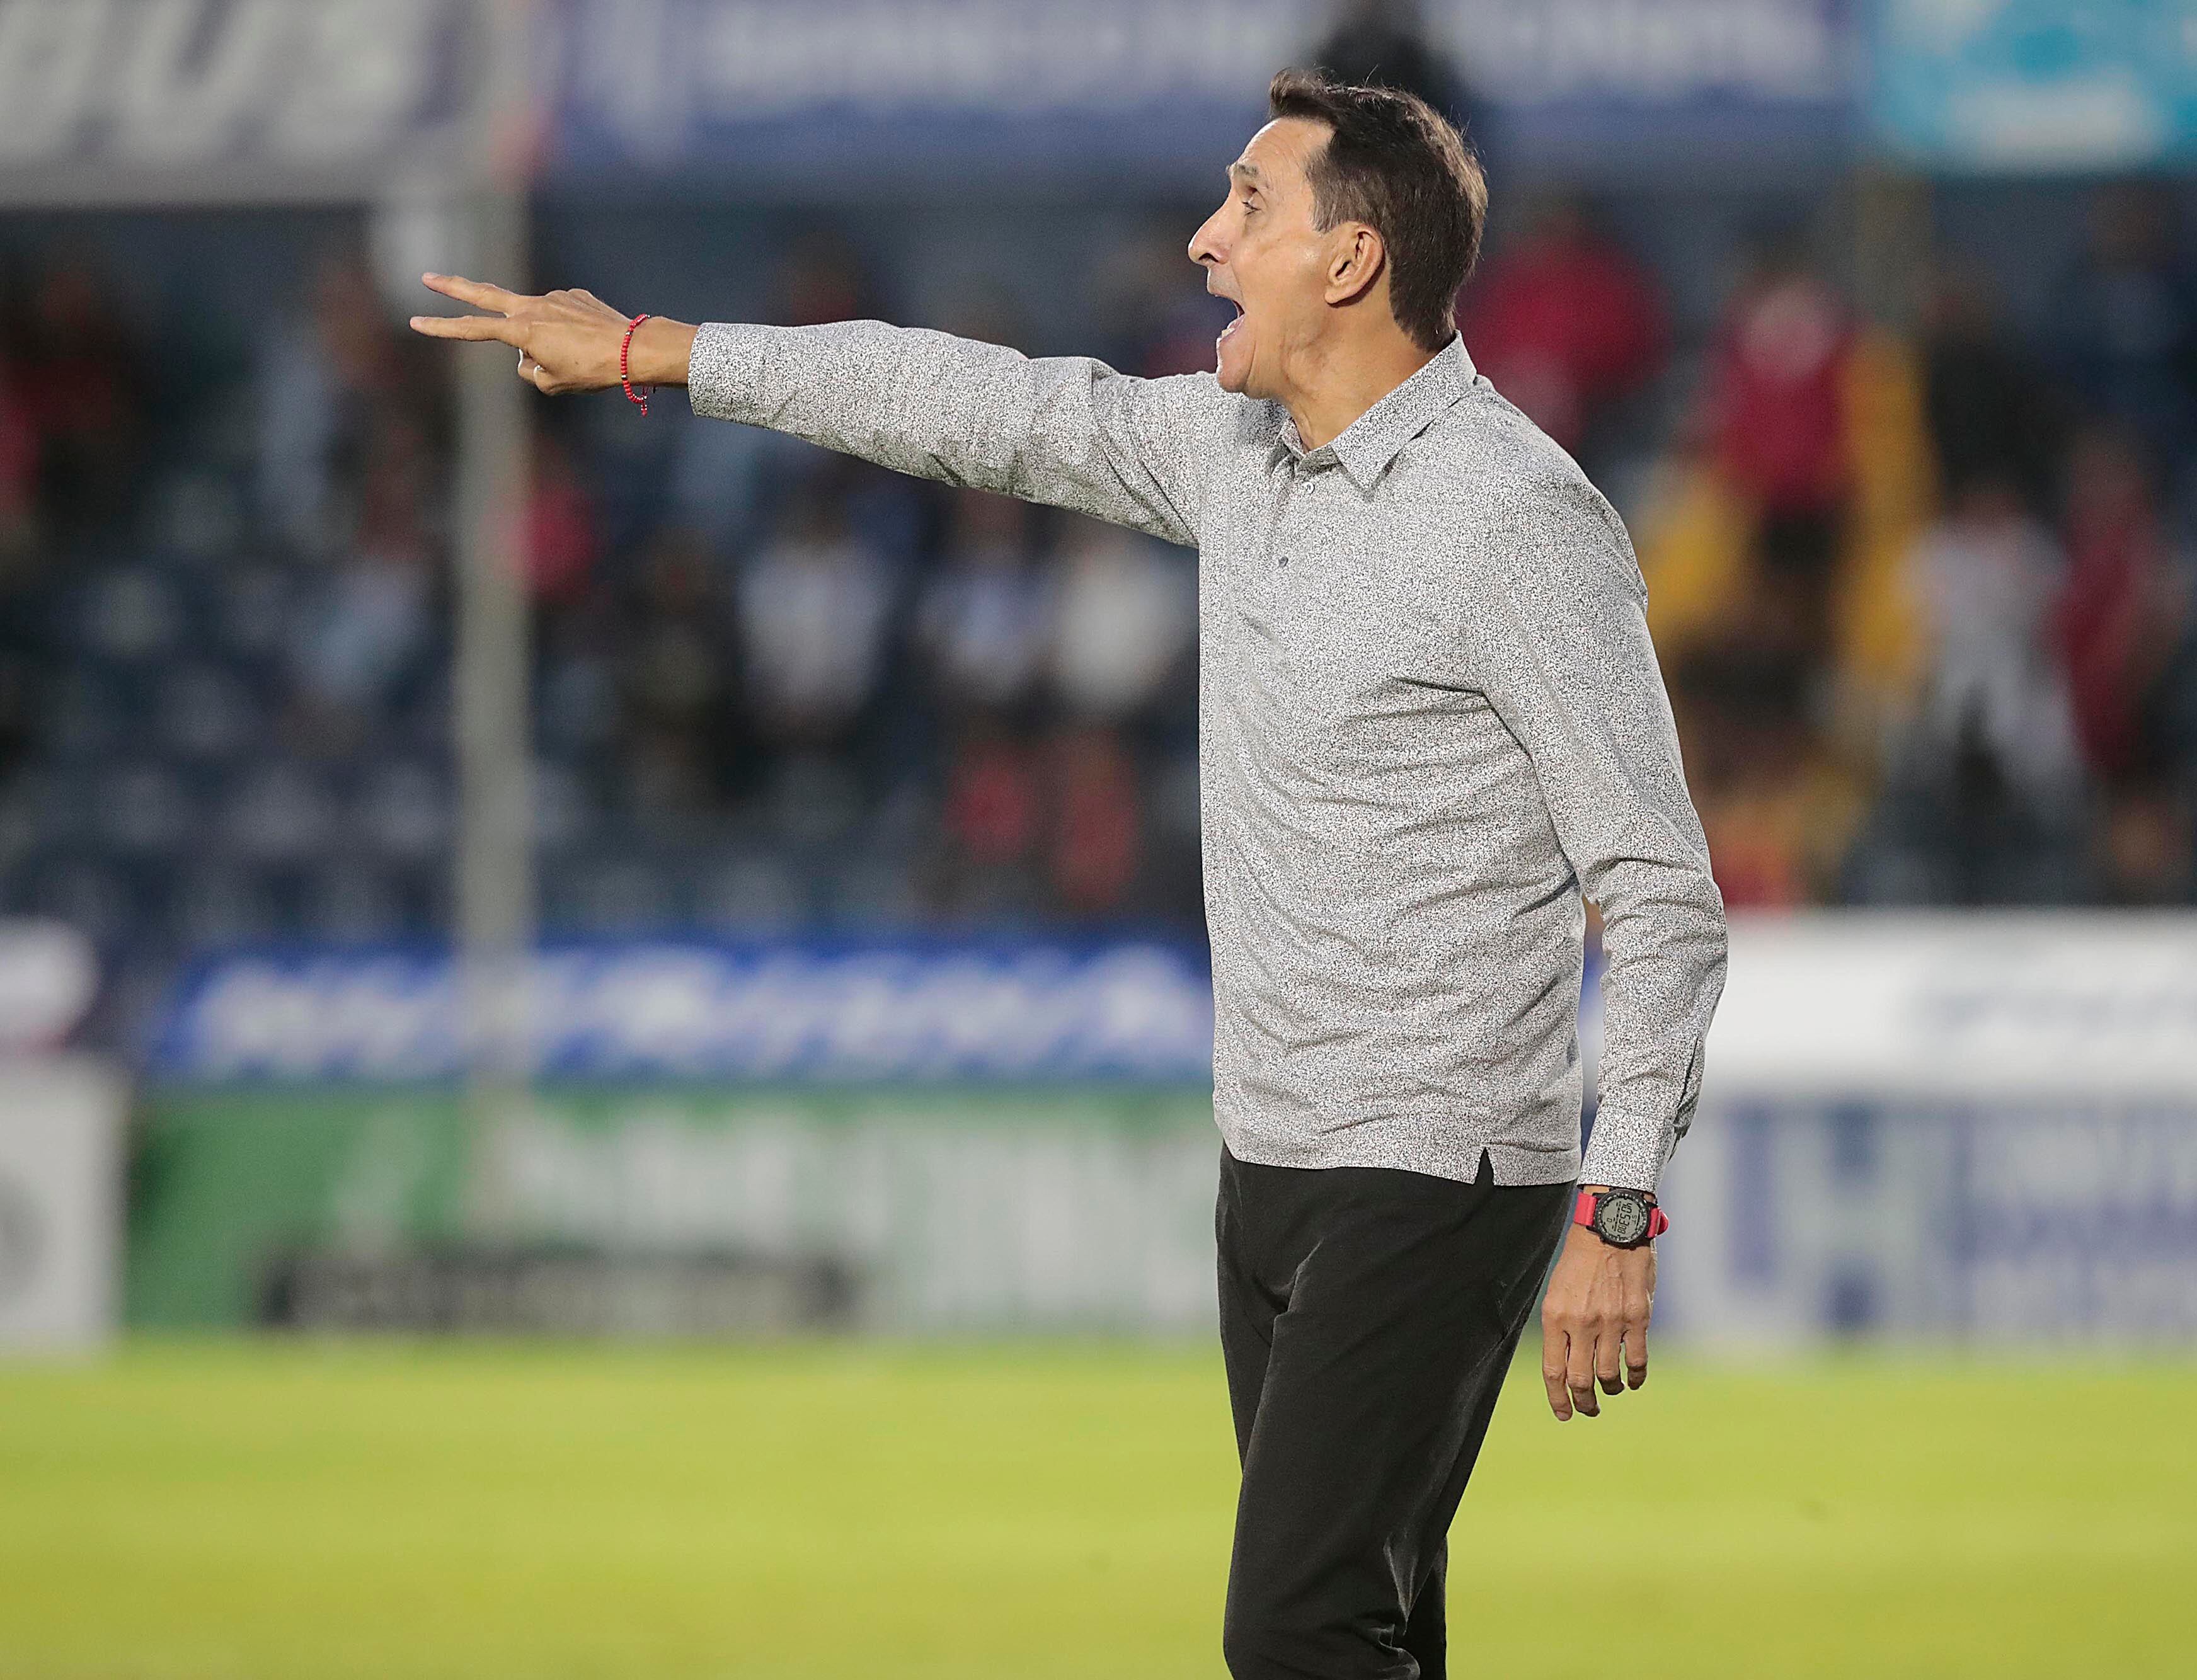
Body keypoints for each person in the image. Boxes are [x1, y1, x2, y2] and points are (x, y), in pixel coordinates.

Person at [411, 71, 1726, 1680]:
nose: (1201, 238)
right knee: (1372, 1628)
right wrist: (662, 350)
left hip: (1439, 1169)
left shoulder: (1517, 519)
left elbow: (1658, 889)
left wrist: (1617, 1197)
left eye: (1246, 205)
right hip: (1270, 1158)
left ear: (1351, 260)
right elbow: (978, 403)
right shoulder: (1235, 453)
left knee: (1295, 1632)